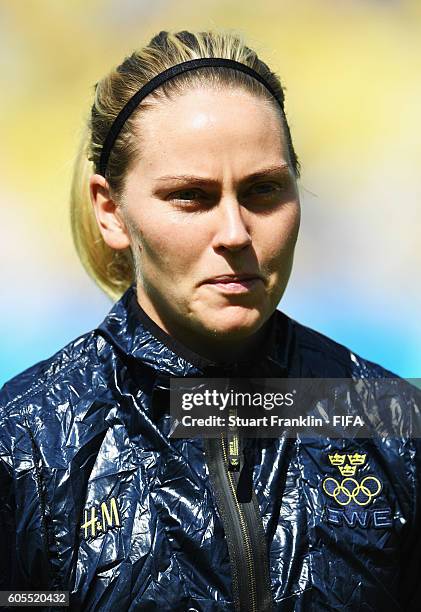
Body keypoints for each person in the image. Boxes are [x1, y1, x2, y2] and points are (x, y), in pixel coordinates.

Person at [0, 29, 420, 612]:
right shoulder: (27, 443)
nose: (234, 233)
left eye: (264, 190)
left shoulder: (393, 423)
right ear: (111, 211)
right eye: (190, 197)